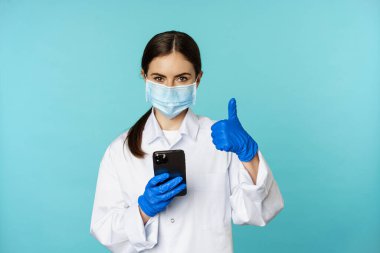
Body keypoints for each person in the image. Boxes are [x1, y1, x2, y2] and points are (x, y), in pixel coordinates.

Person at [89, 30, 284, 253]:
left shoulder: (222, 140)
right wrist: (143, 211)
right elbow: (103, 229)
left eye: (182, 78)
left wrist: (249, 155)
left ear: (197, 79)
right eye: (159, 78)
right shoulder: (120, 150)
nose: (170, 88)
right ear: (144, 77)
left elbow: (258, 212)